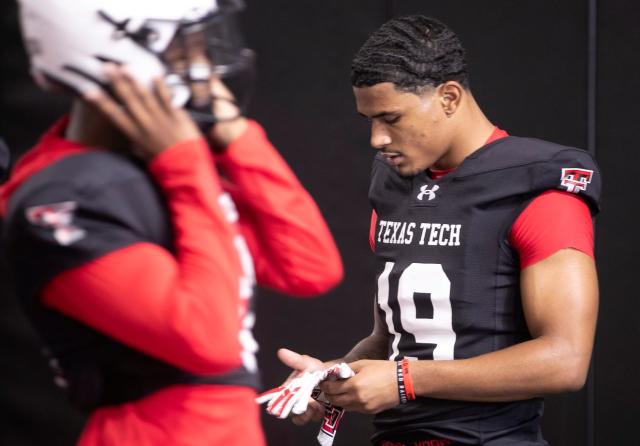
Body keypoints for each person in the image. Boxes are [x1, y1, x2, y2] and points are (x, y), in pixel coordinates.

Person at [1, 0, 343, 445]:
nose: (206, 70)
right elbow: (206, 337)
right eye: (187, 52)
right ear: (114, 55)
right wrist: (185, 164)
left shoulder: (154, 166)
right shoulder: (61, 197)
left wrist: (234, 135)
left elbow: (309, 265)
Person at [274, 15, 600, 445]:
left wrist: (406, 379)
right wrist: (334, 377)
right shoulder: (393, 187)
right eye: (369, 119)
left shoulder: (538, 190)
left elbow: (566, 360)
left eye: (391, 117)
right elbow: (393, 340)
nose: (376, 138)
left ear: (448, 97)